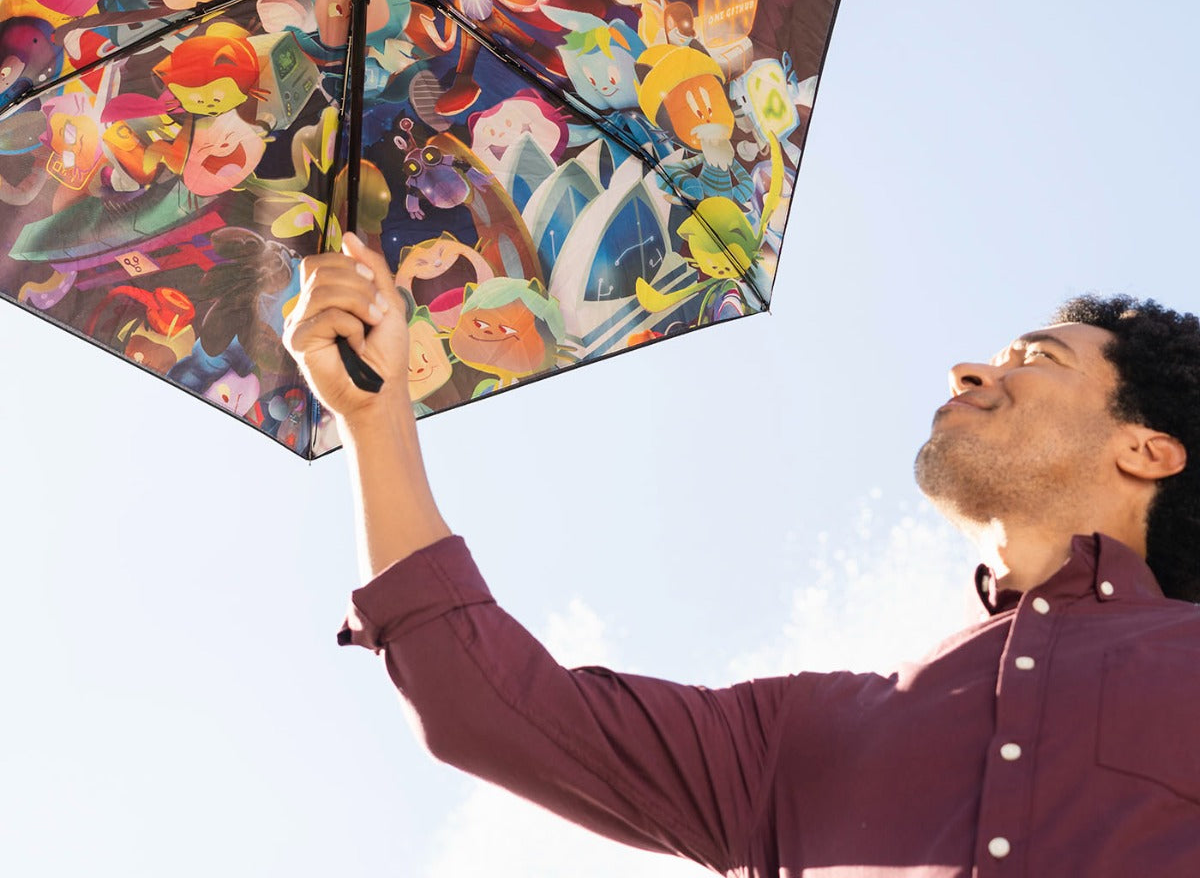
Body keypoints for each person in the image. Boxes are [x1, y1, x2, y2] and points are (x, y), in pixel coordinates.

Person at [283, 232, 1200, 877]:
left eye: (1035, 357)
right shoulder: (798, 739)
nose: (969, 371)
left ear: (1148, 449)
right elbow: (485, 703)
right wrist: (375, 415)